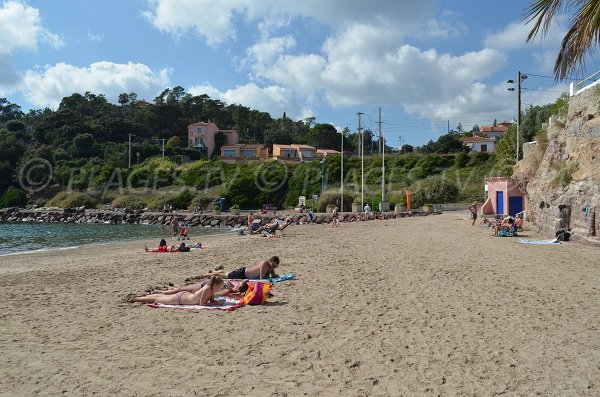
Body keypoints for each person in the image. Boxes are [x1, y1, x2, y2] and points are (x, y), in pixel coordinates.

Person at [124, 275, 224, 305]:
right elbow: (202, 303)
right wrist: (215, 304)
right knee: (157, 299)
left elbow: (211, 300)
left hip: (185, 296)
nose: (220, 288)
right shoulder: (207, 288)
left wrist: (216, 302)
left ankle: (138, 297)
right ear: (215, 284)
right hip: (180, 298)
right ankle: (134, 299)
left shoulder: (211, 289)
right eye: (220, 286)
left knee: (160, 297)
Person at [196, 256, 280, 280]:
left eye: (275, 267)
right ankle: (205, 275)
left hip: (243, 273)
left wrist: (273, 273)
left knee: (226, 273)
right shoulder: (265, 263)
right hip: (242, 274)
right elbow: (261, 277)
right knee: (223, 275)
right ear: (270, 261)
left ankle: (212, 271)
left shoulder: (270, 266)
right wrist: (270, 275)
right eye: (273, 265)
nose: (274, 267)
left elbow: (273, 275)